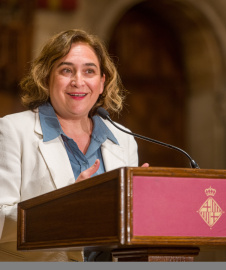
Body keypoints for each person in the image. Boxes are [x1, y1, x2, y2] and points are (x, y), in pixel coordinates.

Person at [0, 29, 148, 261]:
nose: (78, 81)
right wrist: (63, 207)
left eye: (89, 71)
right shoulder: (12, 130)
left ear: (101, 83)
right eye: (66, 70)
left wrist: (142, 206)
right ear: (47, 78)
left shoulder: (124, 140)